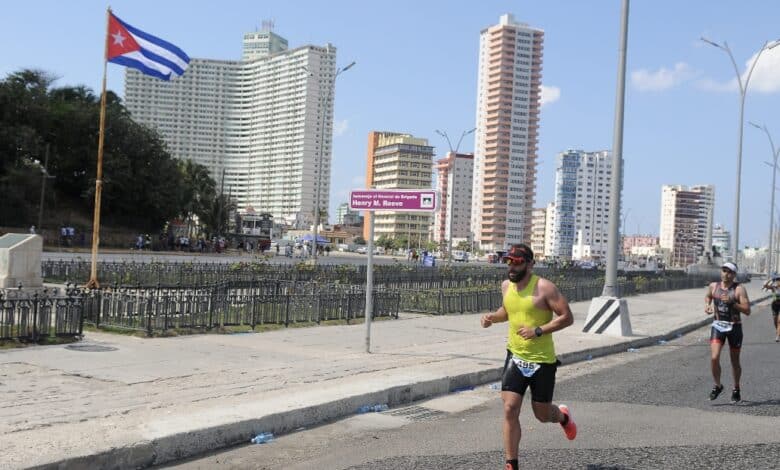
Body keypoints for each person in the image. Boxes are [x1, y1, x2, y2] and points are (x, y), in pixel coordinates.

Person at [480, 243, 577, 470]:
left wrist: (538, 330)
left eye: (517, 262)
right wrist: (492, 318)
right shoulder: (506, 286)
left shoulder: (545, 288)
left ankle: (563, 417)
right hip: (515, 355)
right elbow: (508, 311)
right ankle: (511, 463)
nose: (511, 267)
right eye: (509, 262)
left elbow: (567, 317)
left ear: (530, 264)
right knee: (509, 408)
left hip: (542, 361)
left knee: (542, 415)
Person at [705, 261, 751, 402]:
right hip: (718, 325)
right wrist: (707, 305)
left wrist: (732, 302)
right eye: (724, 270)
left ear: (734, 275)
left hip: (734, 327)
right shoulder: (713, 286)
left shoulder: (739, 289)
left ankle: (736, 388)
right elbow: (708, 297)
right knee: (714, 357)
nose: (726, 274)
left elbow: (747, 310)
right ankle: (717, 386)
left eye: (730, 271)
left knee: (734, 361)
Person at [762, 275, 780, 342]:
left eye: (779, 280)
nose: (778, 282)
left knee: (779, 321)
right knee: (775, 320)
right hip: (774, 305)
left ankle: (777, 336)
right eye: (777, 280)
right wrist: (770, 280)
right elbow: (765, 286)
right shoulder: (773, 288)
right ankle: (778, 331)